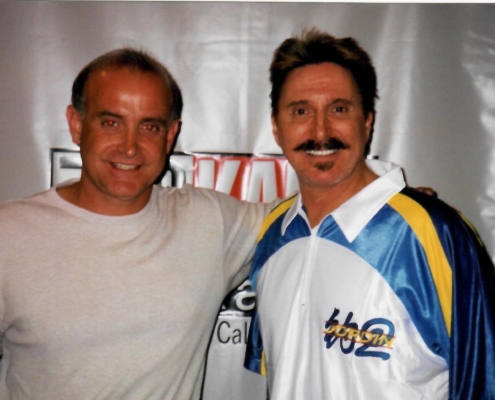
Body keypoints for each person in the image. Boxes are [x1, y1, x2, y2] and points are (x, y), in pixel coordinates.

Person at [0, 48, 272, 399]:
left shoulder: (210, 222)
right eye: (111, 122)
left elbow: (315, 211)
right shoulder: (9, 235)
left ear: (170, 135)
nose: (130, 147)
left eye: (149, 126)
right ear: (76, 125)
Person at [244, 29, 495, 399]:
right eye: (301, 111)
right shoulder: (272, 233)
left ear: (367, 121)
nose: (320, 131)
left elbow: (484, 382)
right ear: (276, 127)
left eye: (339, 109)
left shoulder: (434, 233)